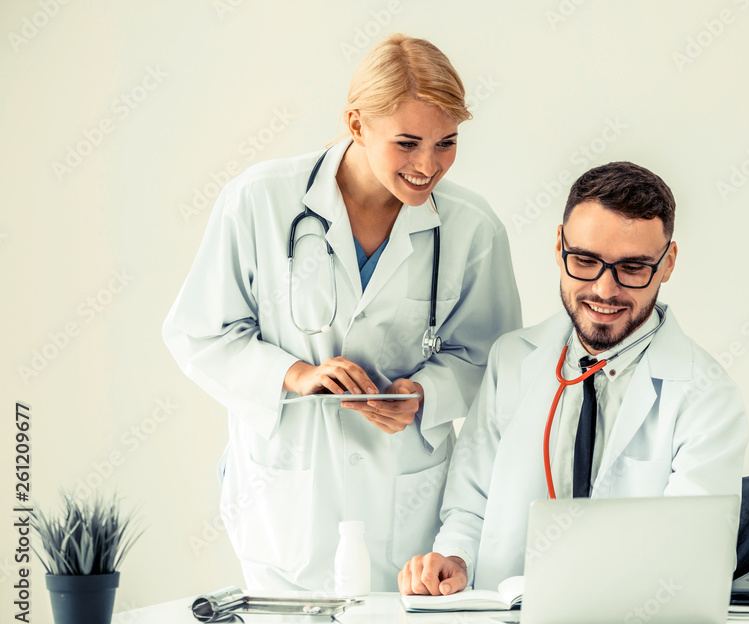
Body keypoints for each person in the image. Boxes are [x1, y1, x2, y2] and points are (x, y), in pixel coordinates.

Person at [163, 34, 521, 591]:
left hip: (407, 505)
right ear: (356, 124)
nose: (429, 166)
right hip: (286, 499)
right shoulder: (259, 201)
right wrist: (294, 374)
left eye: (446, 142)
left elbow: (494, 361)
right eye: (407, 143)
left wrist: (424, 395)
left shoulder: (472, 228)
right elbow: (200, 332)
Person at [398, 161, 749, 595]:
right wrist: (454, 559)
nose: (604, 290)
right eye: (584, 260)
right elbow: (469, 508)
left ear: (668, 262)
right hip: (506, 622)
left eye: (634, 268)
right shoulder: (512, 359)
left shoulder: (706, 396)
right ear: (560, 244)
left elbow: (691, 553)